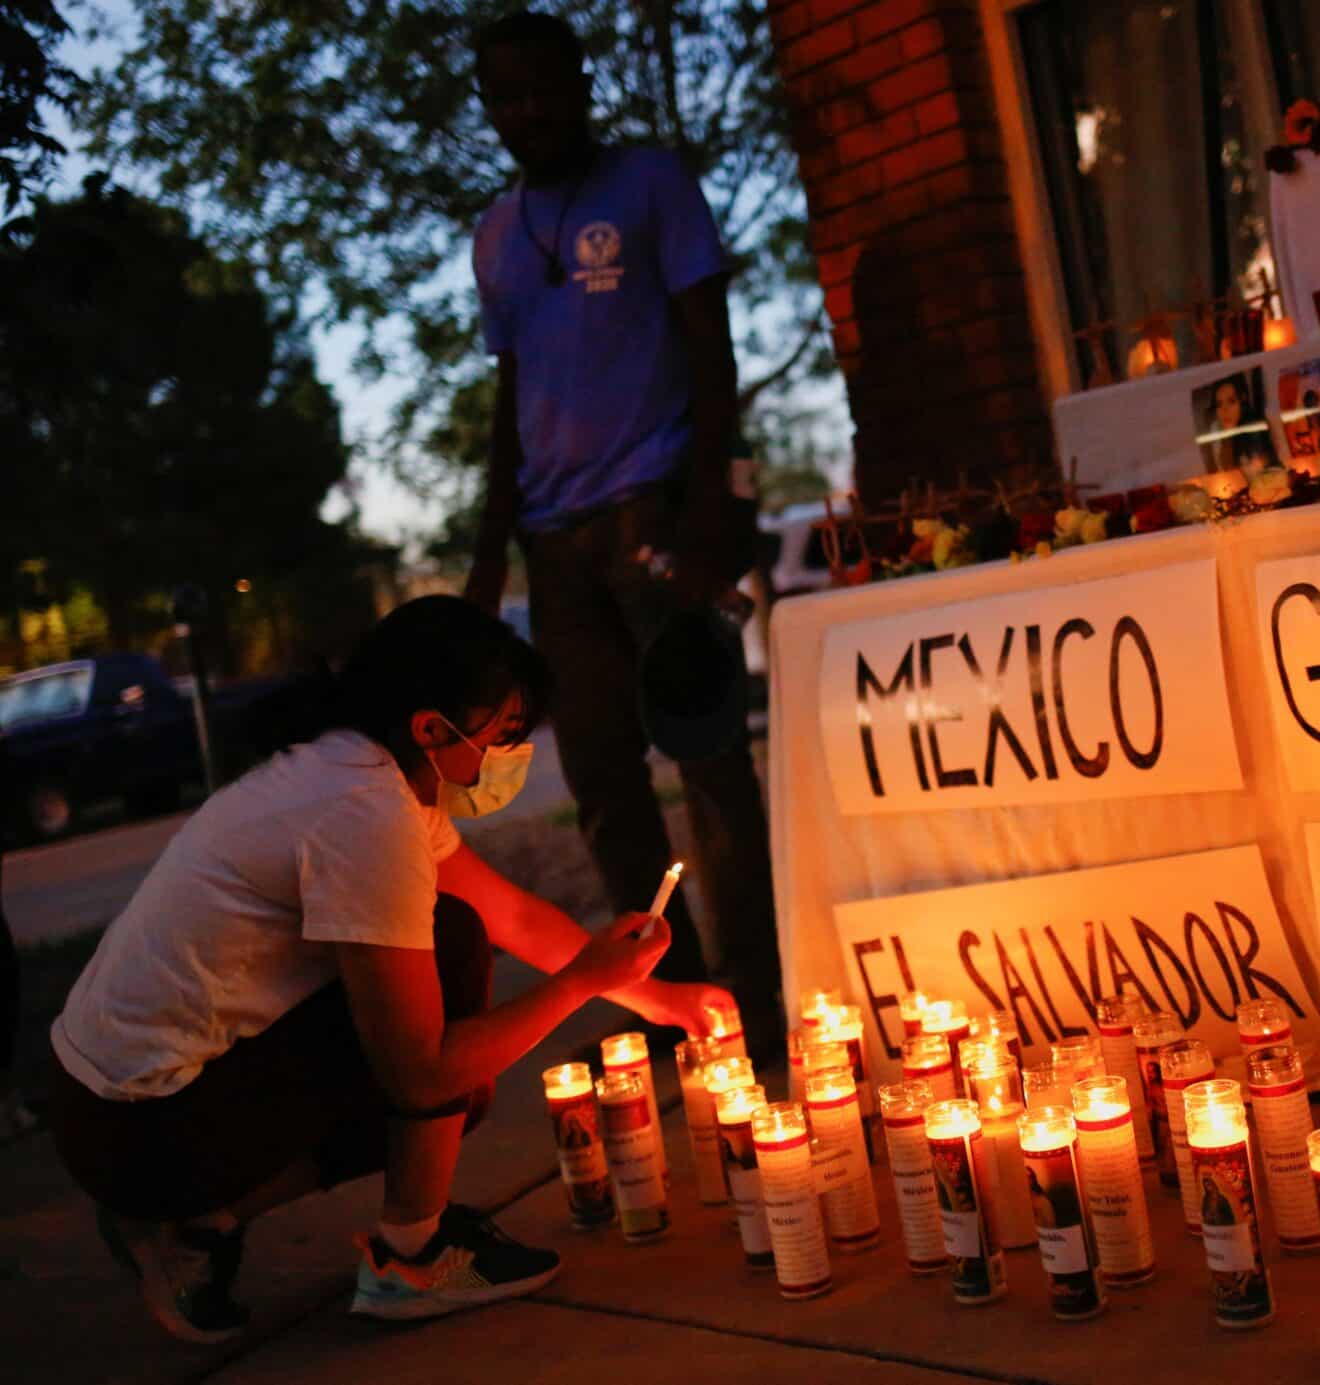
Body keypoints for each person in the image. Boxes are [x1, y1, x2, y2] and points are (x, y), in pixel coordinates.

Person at [45, 597, 731, 1342]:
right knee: (452, 974)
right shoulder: (364, 812)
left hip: (105, 1105)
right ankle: (412, 1258)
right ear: (432, 728)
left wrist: (657, 997)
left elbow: (517, 915)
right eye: (503, 735)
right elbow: (423, 1076)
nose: (511, 756)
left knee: (459, 1004)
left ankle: (196, 1227)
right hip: (141, 1130)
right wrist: (581, 985)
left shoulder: (360, 766)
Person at [463, 10, 780, 1051]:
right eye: (506, 96)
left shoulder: (650, 183)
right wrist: (487, 552)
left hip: (655, 509)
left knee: (709, 757)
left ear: (581, 84)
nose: (529, 111)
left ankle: (761, 992)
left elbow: (710, 348)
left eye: (544, 88)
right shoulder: (497, 235)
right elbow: (513, 394)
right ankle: (674, 999)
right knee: (602, 784)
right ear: (488, 109)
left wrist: (714, 501)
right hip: (554, 546)